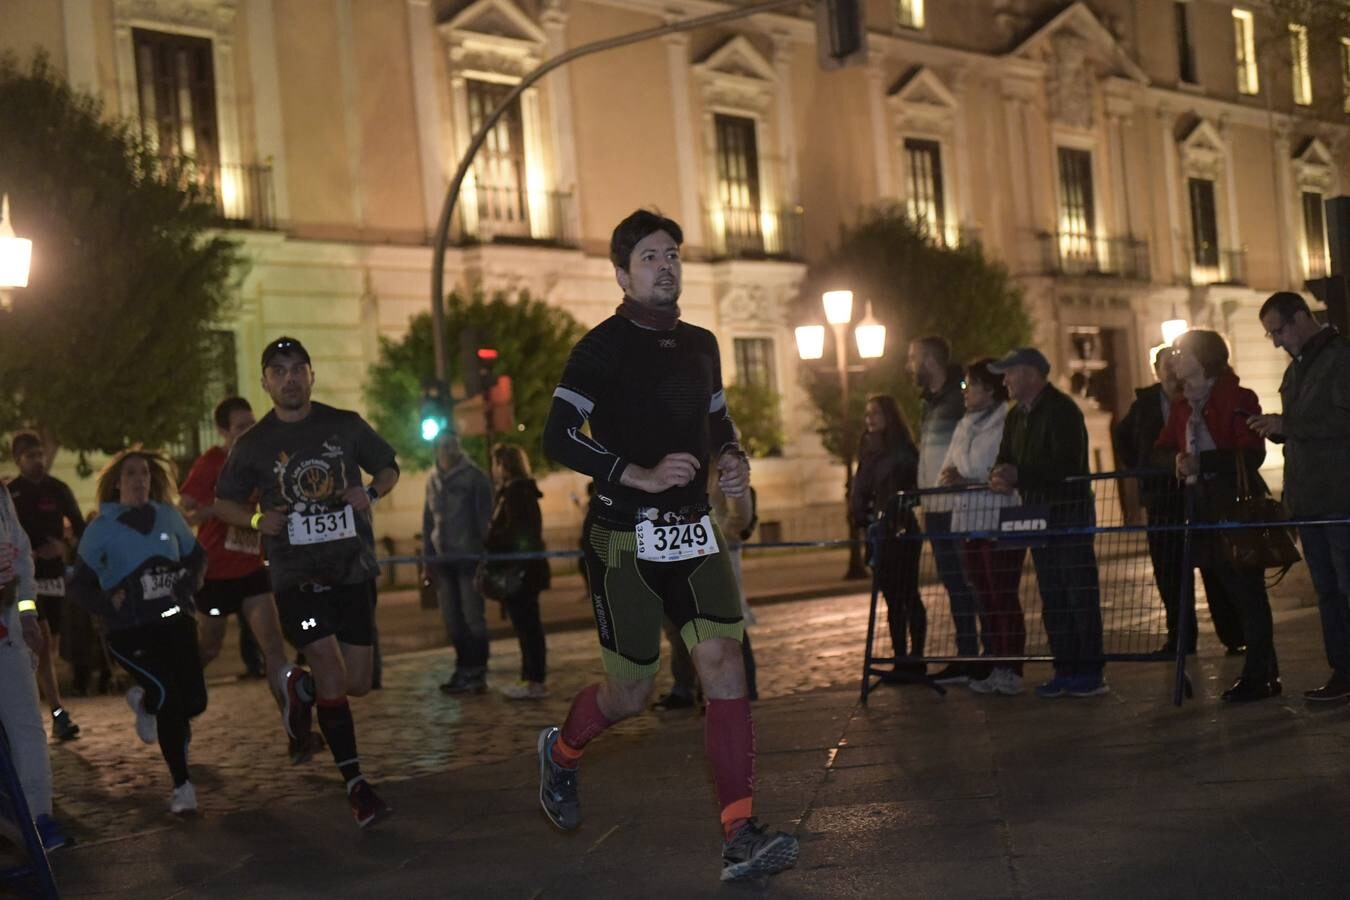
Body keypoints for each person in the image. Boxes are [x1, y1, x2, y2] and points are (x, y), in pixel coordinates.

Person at [538, 209, 797, 882]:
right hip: (621, 538)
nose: (666, 265)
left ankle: (739, 833)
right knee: (631, 694)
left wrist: (733, 459)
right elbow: (559, 435)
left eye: (673, 254)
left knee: (724, 665)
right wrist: (638, 472)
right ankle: (563, 754)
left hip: (692, 532)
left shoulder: (702, 344)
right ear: (623, 274)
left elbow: (717, 420)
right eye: (651, 256)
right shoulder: (600, 347)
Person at [213, 336, 400, 828]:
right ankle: (357, 787)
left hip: (353, 569)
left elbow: (388, 465)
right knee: (335, 673)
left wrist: (373, 492)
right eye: (280, 370)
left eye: (298, 369)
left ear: (312, 375)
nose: (290, 378)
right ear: (265, 382)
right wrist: (256, 521)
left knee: (358, 683)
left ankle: (302, 690)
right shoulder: (252, 445)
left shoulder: (344, 425)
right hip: (297, 576)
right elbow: (223, 503)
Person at [179, 396, 322, 764]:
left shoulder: (263, 457)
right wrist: (223, 510)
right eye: (241, 427)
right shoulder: (211, 462)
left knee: (274, 649)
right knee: (207, 649)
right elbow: (189, 514)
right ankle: (176, 704)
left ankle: (298, 734)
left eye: (252, 424)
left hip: (252, 570)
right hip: (214, 575)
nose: (249, 431)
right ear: (224, 431)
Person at [70, 450, 208, 814]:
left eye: (144, 473)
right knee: (168, 696)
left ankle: (144, 705)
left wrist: (190, 580)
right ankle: (182, 787)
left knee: (194, 702)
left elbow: (196, 555)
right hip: (130, 631)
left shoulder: (167, 515)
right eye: (131, 473)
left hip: (176, 622)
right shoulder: (101, 527)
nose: (139, 479)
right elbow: (79, 585)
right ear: (117, 482)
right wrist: (105, 601)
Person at [1156, 329, 1279, 702]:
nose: (1175, 358)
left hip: (1234, 503)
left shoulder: (1237, 396)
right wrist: (1175, 462)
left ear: (1204, 356)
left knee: (1248, 592)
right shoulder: (1181, 404)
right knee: (1225, 590)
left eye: (1183, 351)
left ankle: (1261, 674)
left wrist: (1203, 461)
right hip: (1200, 505)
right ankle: (1262, 673)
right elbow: (1161, 448)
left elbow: (1252, 453)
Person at [989, 347, 1107, 698]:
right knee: (1052, 594)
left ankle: (1090, 670)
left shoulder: (1062, 411)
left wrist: (1019, 474)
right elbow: (1005, 458)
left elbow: (1068, 466)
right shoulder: (1016, 416)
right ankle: (1065, 667)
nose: (1005, 381)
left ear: (1029, 374)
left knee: (1079, 592)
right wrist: (998, 474)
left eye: (1009, 373)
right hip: (1036, 514)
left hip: (1067, 513)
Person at [1250, 292, 1350, 702]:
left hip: (1340, 496)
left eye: (1278, 330)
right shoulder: (1299, 368)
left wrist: (1288, 423)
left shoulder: (1340, 359)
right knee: (1327, 590)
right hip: (1310, 498)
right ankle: (1343, 671)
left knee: (1345, 587)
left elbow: (1339, 419)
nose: (1275, 341)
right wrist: (1276, 428)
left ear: (1302, 318)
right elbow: (1302, 427)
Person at [1114, 347, 1245, 655]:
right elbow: (1124, 439)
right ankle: (1180, 640)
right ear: (1156, 370)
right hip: (1162, 498)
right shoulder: (1145, 403)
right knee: (1170, 573)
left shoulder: (1196, 398)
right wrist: (1144, 469)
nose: (1172, 372)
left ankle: (1234, 634)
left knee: (1215, 569)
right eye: (1165, 366)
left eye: (1176, 364)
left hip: (1198, 496)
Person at [939, 359, 1025, 695]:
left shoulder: (1007, 420)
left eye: (969, 385)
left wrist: (966, 477)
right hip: (968, 520)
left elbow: (991, 467)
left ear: (989, 390)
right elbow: (949, 467)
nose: (964, 392)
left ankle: (1012, 666)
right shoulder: (964, 424)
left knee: (1003, 593)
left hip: (998, 518)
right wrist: (953, 478)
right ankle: (995, 661)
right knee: (984, 596)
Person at [0, 470, 70, 850]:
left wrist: (27, 614)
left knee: (27, 727)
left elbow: (21, 558)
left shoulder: (2, 499)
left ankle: (39, 818)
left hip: (8, 638)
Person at [655, 465, 760, 709]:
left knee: (726, 625)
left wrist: (719, 535)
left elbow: (741, 513)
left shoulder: (717, 452)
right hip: (676, 549)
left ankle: (738, 693)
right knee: (679, 625)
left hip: (711, 549)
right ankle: (689, 688)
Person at [906, 337, 979, 682]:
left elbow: (971, 439)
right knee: (952, 582)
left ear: (929, 362)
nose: (908, 366)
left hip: (957, 505)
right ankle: (966, 655)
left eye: (912, 358)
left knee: (968, 580)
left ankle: (978, 656)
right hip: (934, 504)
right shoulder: (929, 402)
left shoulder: (957, 398)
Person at [6, 431, 85, 740]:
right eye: (30, 456)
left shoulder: (58, 489)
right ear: (18, 459)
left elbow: (80, 529)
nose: (38, 461)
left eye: (40, 454)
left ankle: (43, 707)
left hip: (54, 580)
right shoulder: (10, 495)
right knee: (39, 640)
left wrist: (64, 548)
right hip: (23, 583)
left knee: (47, 647)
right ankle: (56, 711)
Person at [849, 395, 924, 680]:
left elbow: (911, 487)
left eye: (876, 413)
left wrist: (896, 510)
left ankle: (917, 659)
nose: (870, 418)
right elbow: (861, 488)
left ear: (889, 416)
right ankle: (901, 658)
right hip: (877, 533)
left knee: (908, 595)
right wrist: (861, 517)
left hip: (901, 530)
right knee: (892, 598)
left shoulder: (902, 450)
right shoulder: (867, 450)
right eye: (867, 413)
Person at [422, 432, 493, 694]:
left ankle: (478, 672)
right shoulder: (432, 480)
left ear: (458, 447)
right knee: (452, 620)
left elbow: (485, 521)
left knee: (473, 617)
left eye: (451, 445)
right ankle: (463, 668)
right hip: (442, 561)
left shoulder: (474, 477)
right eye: (442, 446)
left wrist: (484, 559)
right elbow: (428, 522)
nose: (447, 450)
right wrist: (426, 560)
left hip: (469, 558)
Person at [484, 443, 551, 700]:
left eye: (495, 463)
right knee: (526, 626)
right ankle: (530, 678)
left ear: (504, 465)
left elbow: (520, 532)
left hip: (521, 572)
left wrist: (491, 538)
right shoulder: (513, 492)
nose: (493, 469)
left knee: (528, 626)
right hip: (522, 570)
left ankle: (535, 680)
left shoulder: (516, 493)